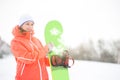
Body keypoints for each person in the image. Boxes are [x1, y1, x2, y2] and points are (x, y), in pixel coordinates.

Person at [11, 15, 53, 80]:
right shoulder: (16, 41)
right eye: (27, 24)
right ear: (21, 25)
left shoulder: (36, 40)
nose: (30, 26)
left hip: (43, 78)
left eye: (32, 24)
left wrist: (55, 61)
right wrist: (45, 50)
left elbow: (42, 59)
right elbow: (28, 58)